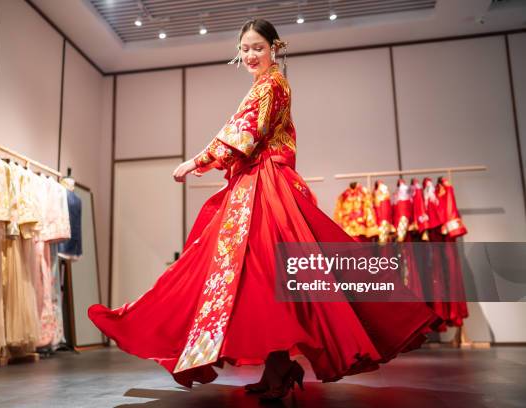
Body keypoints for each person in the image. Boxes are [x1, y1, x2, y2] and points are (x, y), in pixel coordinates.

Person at [88, 18, 439, 402]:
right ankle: (277, 364)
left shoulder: (273, 84)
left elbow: (246, 131)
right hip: (254, 186)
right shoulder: (262, 85)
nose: (251, 54)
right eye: (245, 49)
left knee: (269, 274)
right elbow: (241, 128)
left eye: (258, 47)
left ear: (274, 48)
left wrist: (196, 162)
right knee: (262, 278)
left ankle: (279, 363)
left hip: (266, 185)